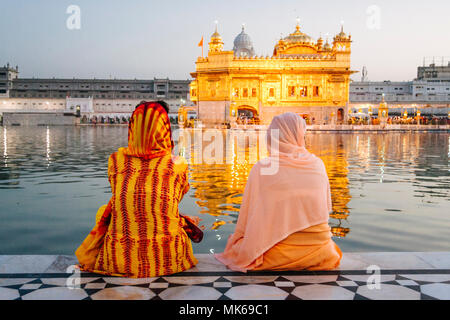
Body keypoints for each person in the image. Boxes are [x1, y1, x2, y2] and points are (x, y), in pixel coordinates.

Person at [75, 101, 199, 278]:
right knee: (170, 215)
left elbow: (121, 193)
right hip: (169, 259)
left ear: (132, 127)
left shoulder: (115, 160)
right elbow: (172, 200)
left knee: (106, 210)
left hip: (119, 258)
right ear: (164, 128)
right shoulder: (178, 164)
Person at [215, 112, 342, 272]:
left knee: (241, 247)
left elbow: (250, 218)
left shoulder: (263, 168)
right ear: (299, 135)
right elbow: (323, 208)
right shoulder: (317, 164)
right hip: (320, 251)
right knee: (330, 247)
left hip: (275, 254)